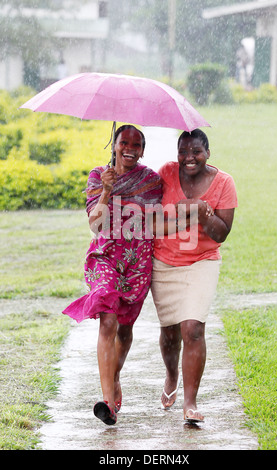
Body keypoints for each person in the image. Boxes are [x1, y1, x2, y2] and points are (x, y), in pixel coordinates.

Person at [63, 125, 162, 425]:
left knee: (125, 328)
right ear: (114, 145)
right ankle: (108, 402)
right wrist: (107, 190)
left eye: (136, 143)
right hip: (105, 256)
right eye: (124, 142)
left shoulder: (151, 181)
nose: (129, 148)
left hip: (138, 260)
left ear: (143, 149)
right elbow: (94, 224)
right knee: (107, 318)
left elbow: (157, 222)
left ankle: (115, 376)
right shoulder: (98, 176)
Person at [151, 129, 238, 424]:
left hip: (202, 260)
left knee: (193, 328)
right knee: (170, 332)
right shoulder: (165, 173)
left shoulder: (224, 183)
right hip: (164, 261)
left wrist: (203, 213)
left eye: (196, 152)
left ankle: (190, 402)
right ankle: (172, 373)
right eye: (183, 152)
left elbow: (221, 233)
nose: (189, 158)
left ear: (208, 153)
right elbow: (153, 212)